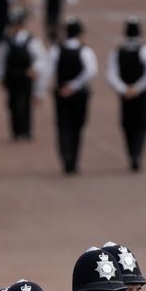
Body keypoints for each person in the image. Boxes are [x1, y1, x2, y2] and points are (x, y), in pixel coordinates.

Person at [106, 17, 146, 172]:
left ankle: (132, 152)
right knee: (141, 124)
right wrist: (137, 88)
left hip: (125, 95)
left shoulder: (117, 52)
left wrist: (124, 89)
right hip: (141, 94)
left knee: (127, 124)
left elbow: (112, 74)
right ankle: (137, 153)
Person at [48, 17, 97, 175]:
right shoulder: (85, 51)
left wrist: (61, 86)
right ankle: (74, 160)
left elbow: (49, 69)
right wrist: (74, 85)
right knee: (77, 127)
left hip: (61, 93)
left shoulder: (56, 50)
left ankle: (66, 158)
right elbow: (90, 71)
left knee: (63, 127)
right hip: (79, 95)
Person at [0, 8, 48, 142]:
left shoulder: (32, 41)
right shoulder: (6, 41)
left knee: (25, 103)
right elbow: (1, 60)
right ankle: (15, 131)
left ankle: (26, 130)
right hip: (12, 77)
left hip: (26, 77)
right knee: (12, 103)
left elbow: (41, 58)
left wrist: (34, 69)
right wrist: (0, 76)